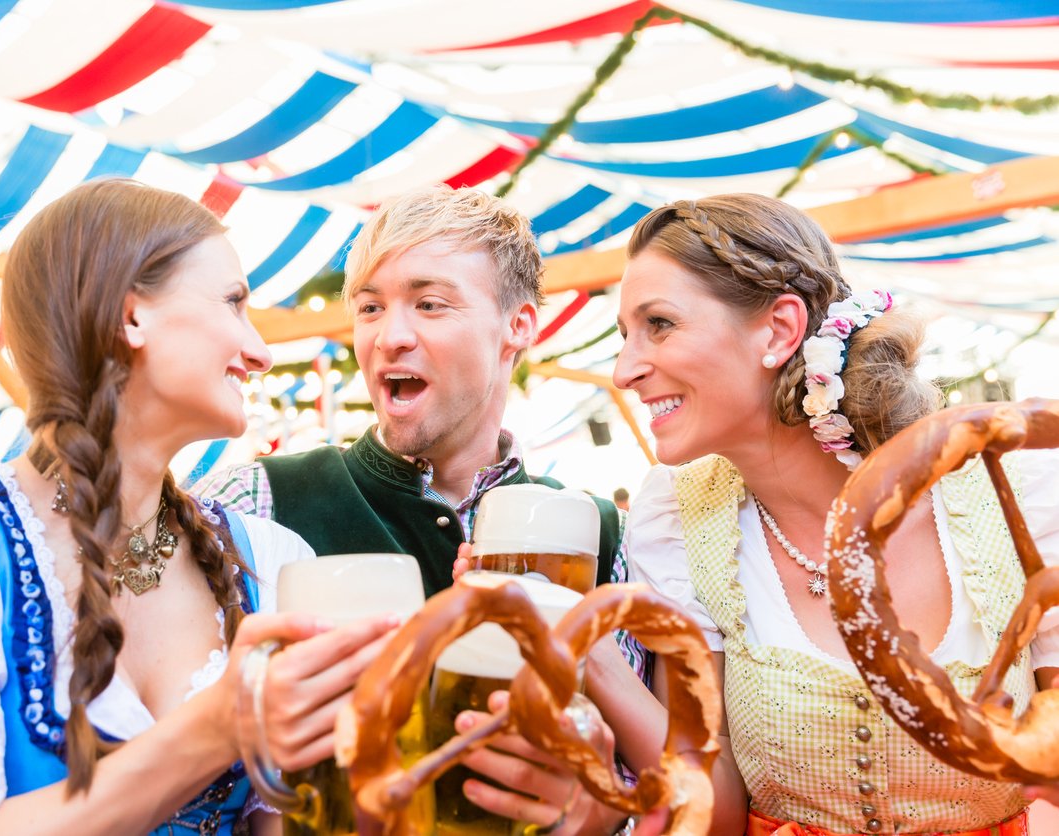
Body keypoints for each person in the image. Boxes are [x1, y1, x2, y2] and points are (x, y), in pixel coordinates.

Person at [0, 180, 396, 835]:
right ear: (132, 316)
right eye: (233, 303)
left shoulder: (271, 559)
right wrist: (215, 728)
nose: (262, 351)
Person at [599, 193, 1059, 835]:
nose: (624, 370)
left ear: (780, 330)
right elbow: (716, 810)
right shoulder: (675, 519)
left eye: (660, 324)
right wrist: (591, 658)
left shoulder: (1018, 491)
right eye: (625, 335)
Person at [198, 184, 639, 832]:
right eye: (370, 308)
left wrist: (606, 815)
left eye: (430, 304)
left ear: (518, 325)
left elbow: (642, 780)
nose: (389, 337)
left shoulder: (603, 536)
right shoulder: (251, 502)